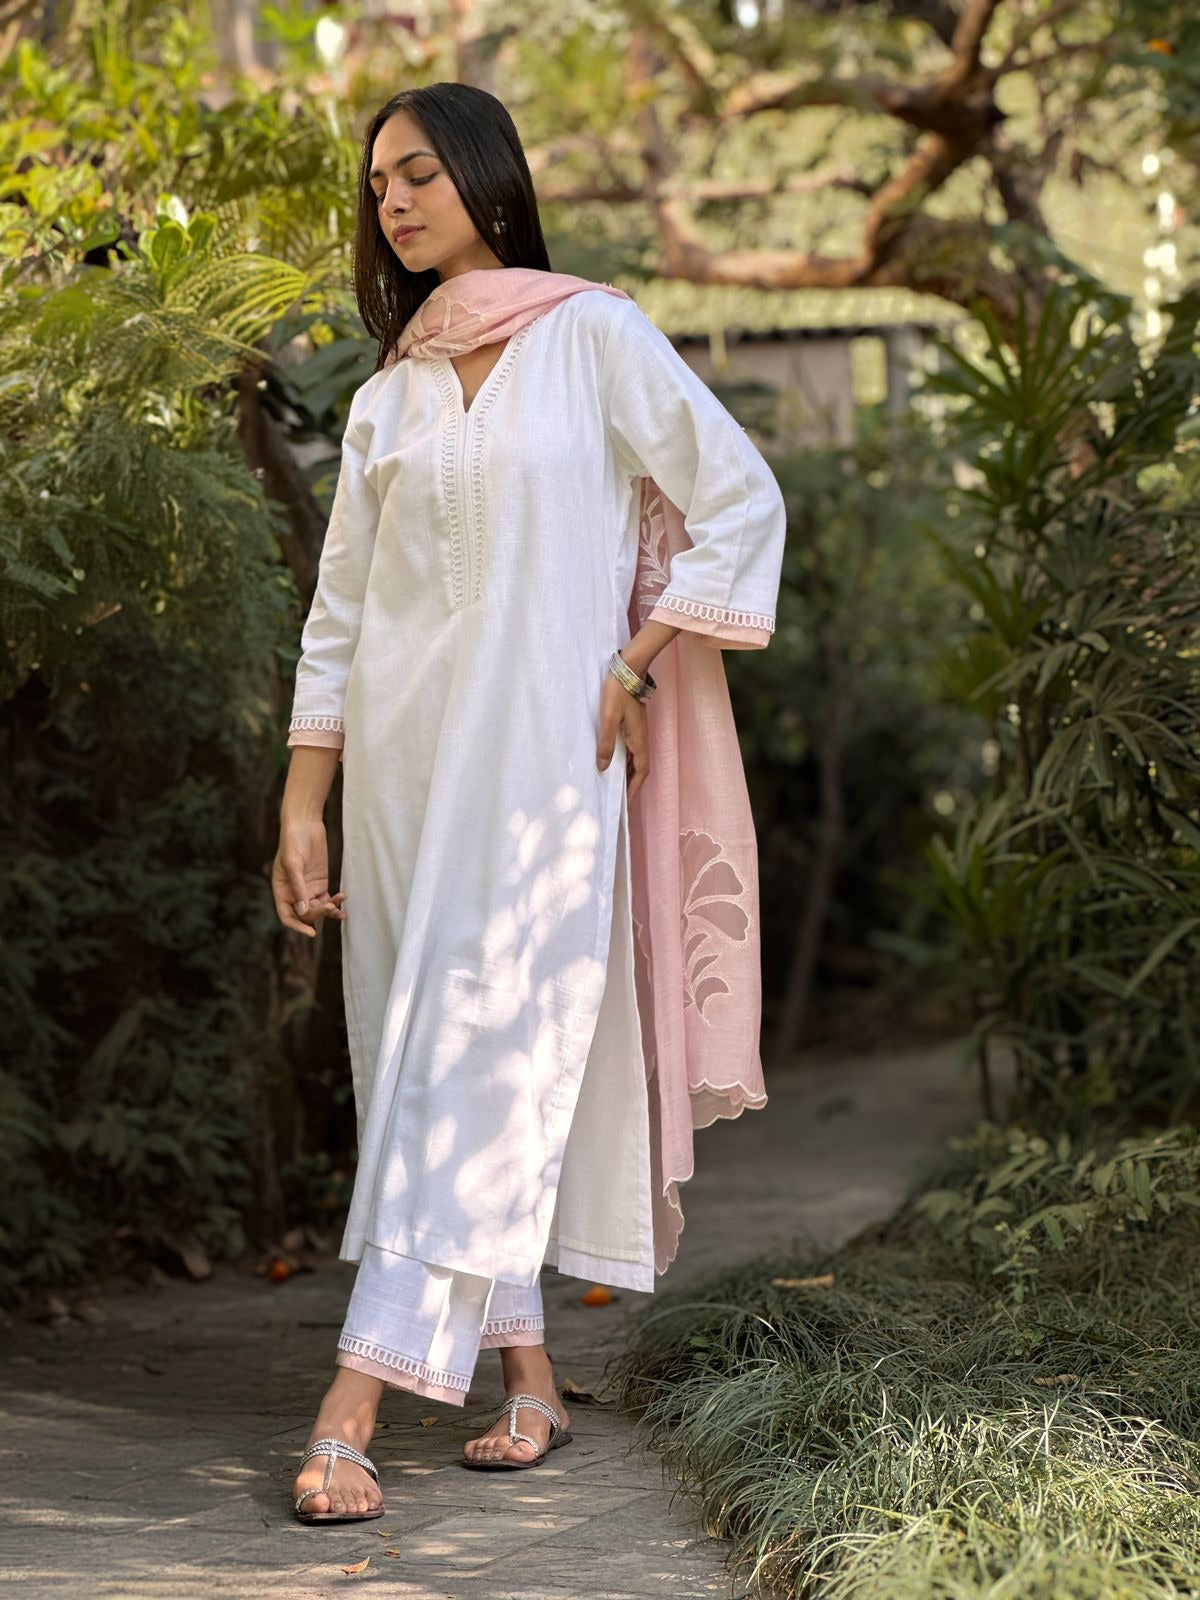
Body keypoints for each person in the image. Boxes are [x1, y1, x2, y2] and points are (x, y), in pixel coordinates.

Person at [273, 80, 786, 1522]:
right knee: (424, 1060)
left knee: (478, 1049)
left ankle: (354, 1397)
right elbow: (341, 613)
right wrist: (304, 799)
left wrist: (637, 654)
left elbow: (742, 497)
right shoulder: (389, 396)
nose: (395, 200)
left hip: (546, 771)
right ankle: (532, 1379)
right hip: (400, 776)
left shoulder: (595, 340)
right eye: (378, 184)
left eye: (420, 172)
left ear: (490, 183)